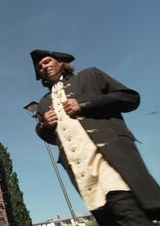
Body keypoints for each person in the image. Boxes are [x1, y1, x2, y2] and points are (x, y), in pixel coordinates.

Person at [30, 49, 160, 226]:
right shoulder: (44, 102)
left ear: (60, 62)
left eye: (47, 61)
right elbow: (47, 136)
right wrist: (45, 124)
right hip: (80, 171)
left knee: (128, 213)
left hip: (108, 160)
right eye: (40, 67)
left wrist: (83, 103)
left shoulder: (90, 75)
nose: (43, 67)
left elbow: (130, 98)